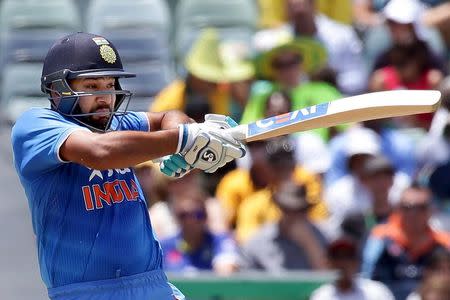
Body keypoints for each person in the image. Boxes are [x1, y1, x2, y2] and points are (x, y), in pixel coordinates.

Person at [11, 32, 246, 300]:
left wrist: (187, 138)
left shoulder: (117, 124)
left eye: (110, 84)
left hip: (154, 285)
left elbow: (168, 117)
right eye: (92, 86)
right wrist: (182, 139)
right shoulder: (36, 126)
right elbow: (99, 151)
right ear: (57, 89)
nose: (105, 97)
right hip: (86, 294)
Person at [362, 184, 450, 300]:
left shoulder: (444, 243)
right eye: (408, 207)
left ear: (431, 210)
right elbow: (366, 280)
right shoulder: (379, 237)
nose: (414, 214)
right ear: (398, 209)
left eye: (421, 207)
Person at [240, 180, 328, 271]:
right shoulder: (258, 241)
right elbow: (247, 281)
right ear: (281, 209)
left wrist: (311, 245)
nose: (295, 216)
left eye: (301, 210)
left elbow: (331, 279)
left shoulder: (324, 236)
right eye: (289, 210)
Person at [160, 187, 239, 275]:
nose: (191, 221)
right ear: (175, 217)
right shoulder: (162, 247)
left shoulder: (220, 241)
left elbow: (226, 273)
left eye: (198, 215)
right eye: (184, 215)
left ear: (206, 217)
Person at [310, 236, 395, 300]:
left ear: (357, 261)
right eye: (337, 257)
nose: (343, 263)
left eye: (348, 256)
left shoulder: (377, 292)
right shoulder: (321, 296)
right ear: (328, 262)